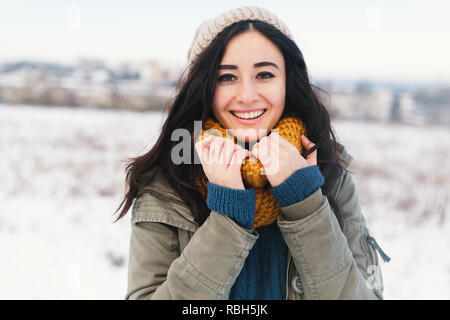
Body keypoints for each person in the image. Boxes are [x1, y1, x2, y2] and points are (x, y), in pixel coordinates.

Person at [115, 6, 389, 300]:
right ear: (204, 87)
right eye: (227, 77)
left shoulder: (329, 173)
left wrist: (306, 203)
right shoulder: (166, 183)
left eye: (265, 74)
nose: (247, 95)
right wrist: (228, 214)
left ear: (288, 82)